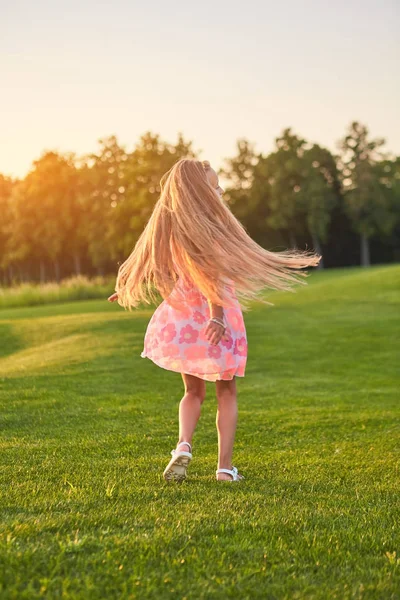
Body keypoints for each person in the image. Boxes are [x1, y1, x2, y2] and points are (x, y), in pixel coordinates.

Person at [108, 158, 321, 482]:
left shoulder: (174, 229)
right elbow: (213, 278)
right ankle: (224, 468)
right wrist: (218, 317)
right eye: (216, 186)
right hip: (214, 319)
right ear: (202, 192)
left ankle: (183, 445)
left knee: (192, 392)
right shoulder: (212, 233)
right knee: (227, 392)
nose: (221, 190)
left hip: (183, 319)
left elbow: (149, 257)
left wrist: (124, 287)